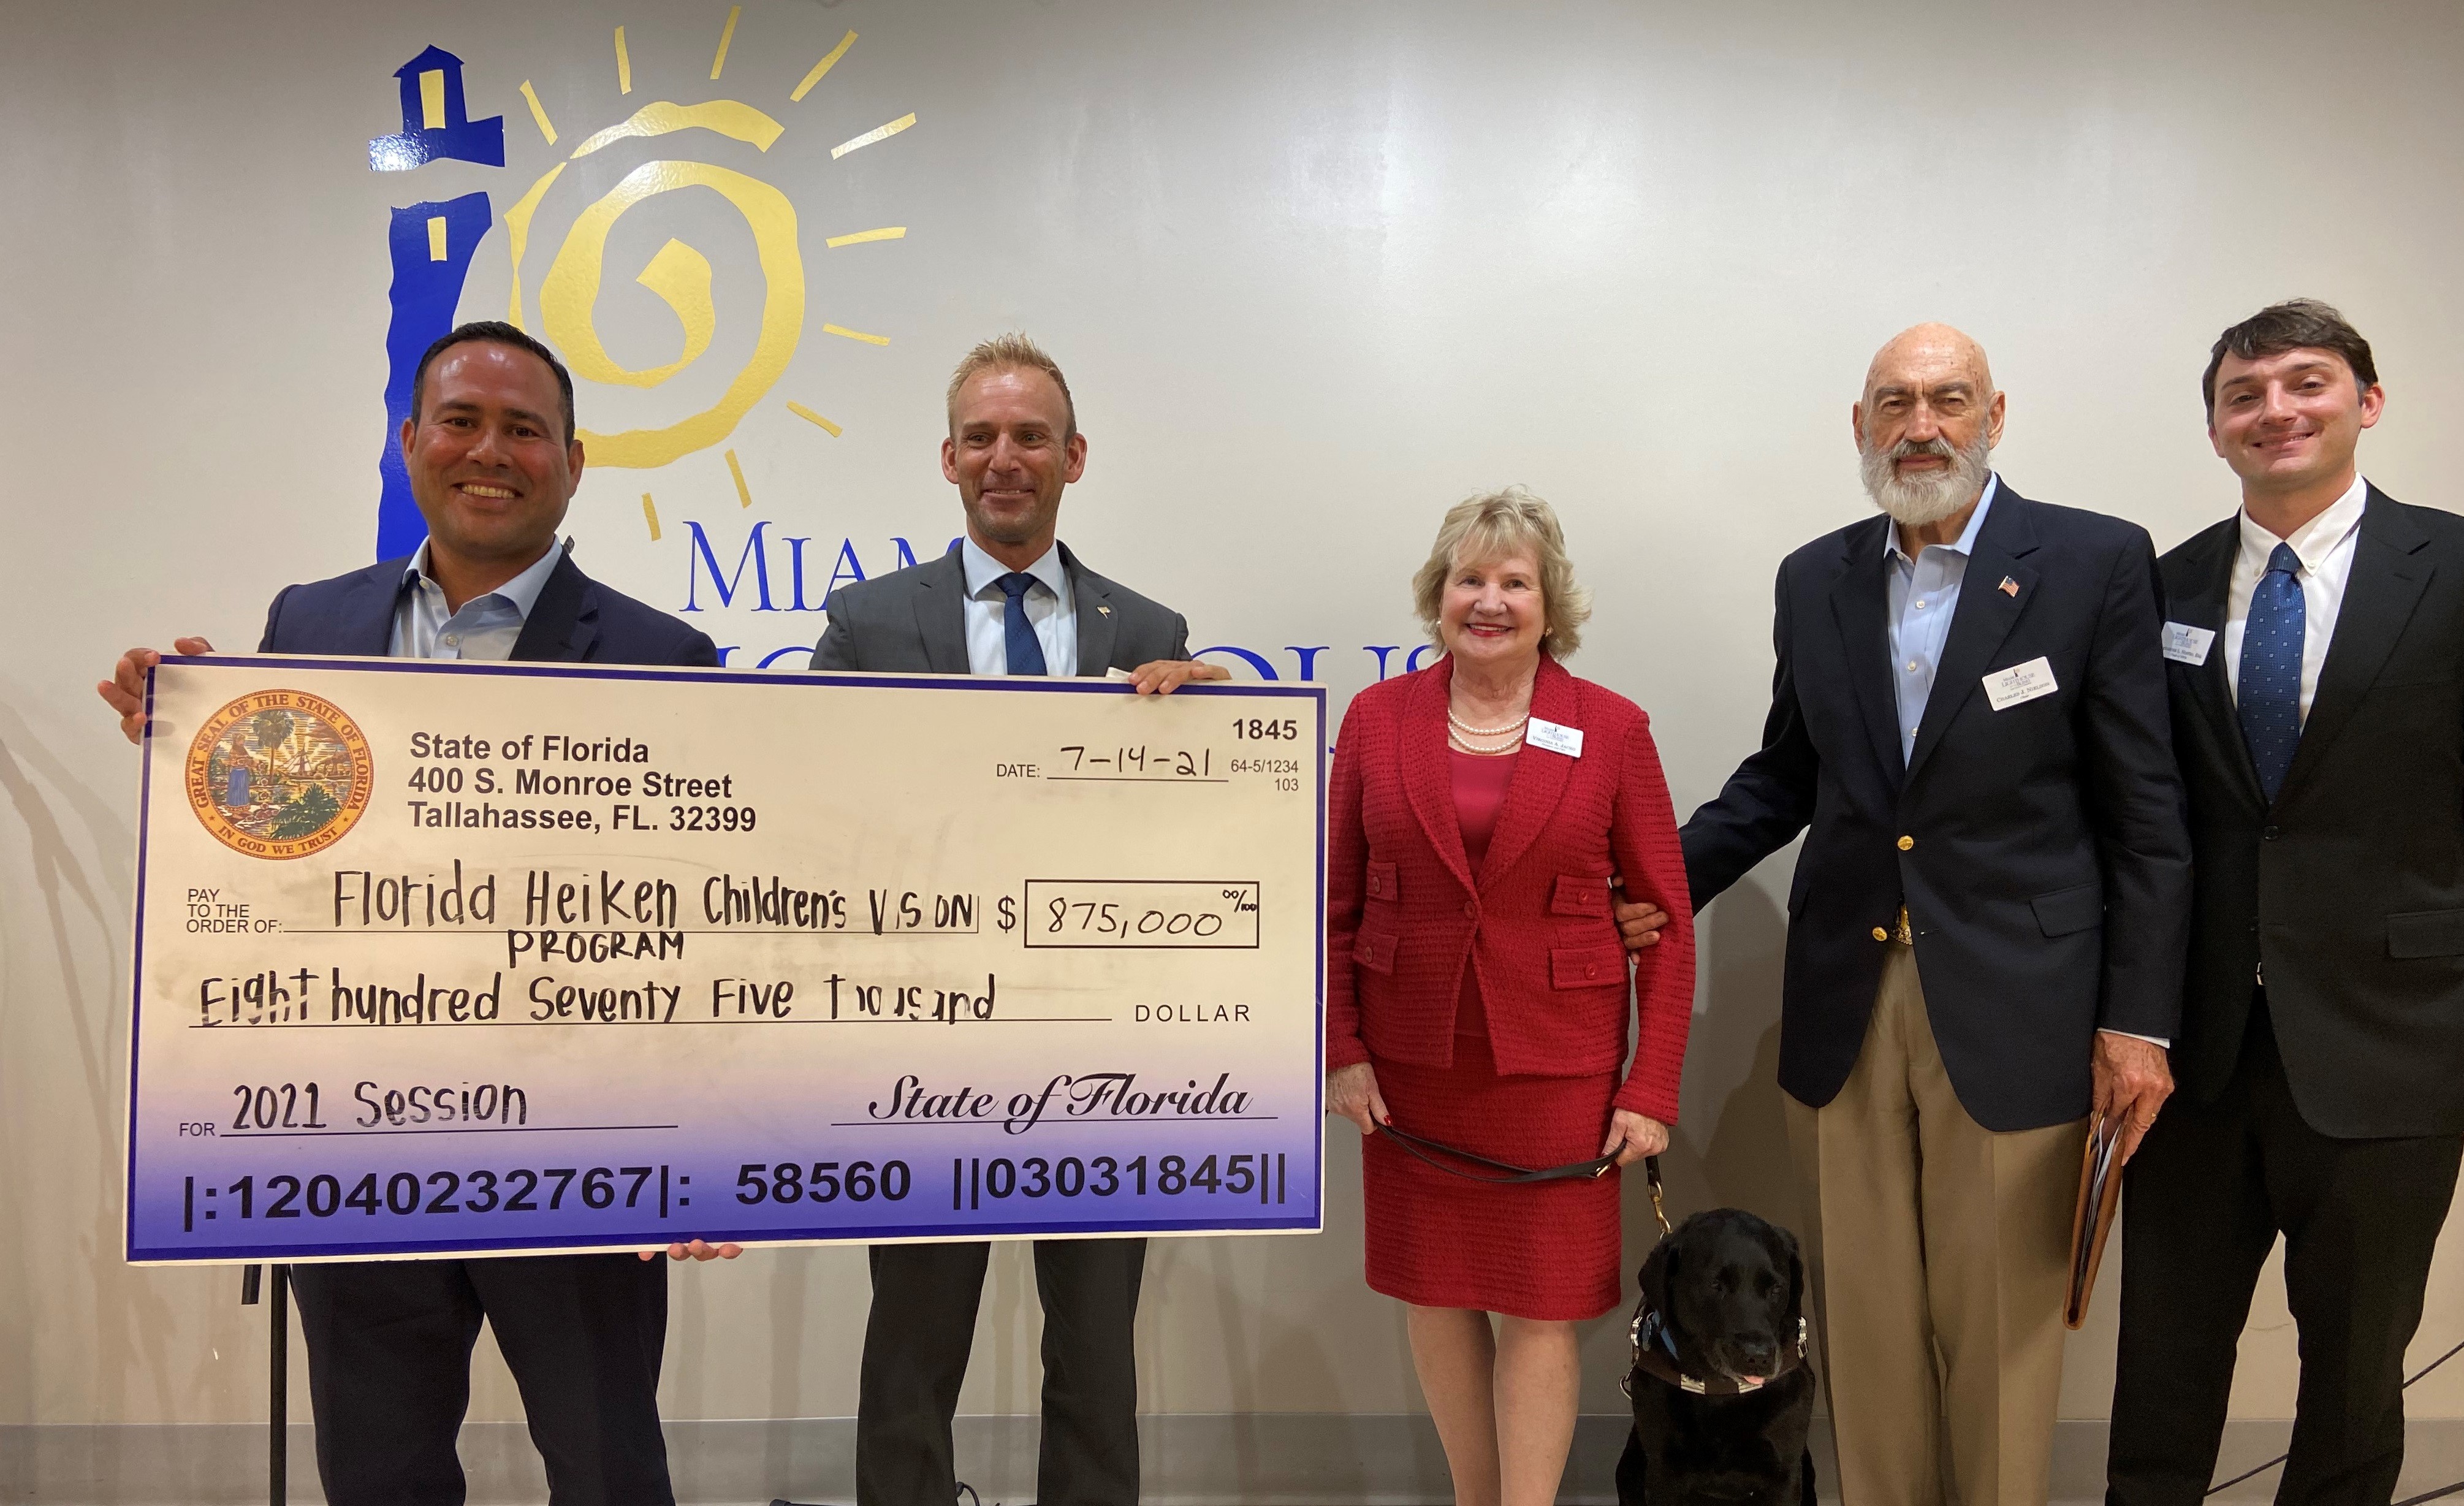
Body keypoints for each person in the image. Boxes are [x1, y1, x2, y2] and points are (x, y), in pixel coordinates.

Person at [97, 321, 739, 1506]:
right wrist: (190, 729)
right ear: (410, 442)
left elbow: (695, 923)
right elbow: (275, 857)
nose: (489, 449)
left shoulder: (666, 654)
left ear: (573, 460)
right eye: (461, 420)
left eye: (524, 428)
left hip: (579, 1155)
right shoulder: (307, 624)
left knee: (608, 1469)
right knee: (378, 1471)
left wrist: (695, 1144)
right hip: (352, 1146)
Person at [1617, 324, 2189, 1505]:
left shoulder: (2093, 560)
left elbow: (2145, 810)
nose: (1921, 423)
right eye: (1895, 400)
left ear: (1994, 415)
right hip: (1846, 999)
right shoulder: (1813, 575)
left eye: (1949, 398)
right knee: (1863, 1331)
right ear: (1862, 424)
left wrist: (2140, 1021)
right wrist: (1655, 884)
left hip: (2022, 1004)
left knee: (1999, 1339)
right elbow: (1786, 774)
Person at [809, 333, 1226, 1506]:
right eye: (982, 437)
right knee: (913, 1350)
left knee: (1095, 1355)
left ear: (1074, 457)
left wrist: (1226, 739)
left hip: (1102, 1052)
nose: (1006, 458)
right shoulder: (869, 623)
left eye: (1030, 436)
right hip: (923, 1047)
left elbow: (1188, 843)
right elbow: (812, 816)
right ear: (947, 458)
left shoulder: (1150, 626)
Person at [2105, 301, 2464, 1505]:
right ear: (2216, 430)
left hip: (2394, 1042)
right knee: (2161, 1364)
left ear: (2366, 402)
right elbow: (2134, 812)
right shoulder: (2160, 587)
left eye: (2306, 383)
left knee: (2355, 1374)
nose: (2276, 411)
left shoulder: (2455, 571)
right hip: (2194, 1047)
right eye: (2244, 395)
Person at [1323, 487, 1695, 1506]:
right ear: (1438, 594)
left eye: (1514, 581)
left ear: (1549, 601)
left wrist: (1650, 1082)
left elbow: (1666, 922)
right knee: (1437, 1294)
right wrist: (1340, 1047)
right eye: (1469, 578)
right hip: (1411, 1067)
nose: (1489, 600)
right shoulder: (1374, 719)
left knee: (1540, 1310)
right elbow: (1338, 903)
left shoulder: (1613, 729)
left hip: (1560, 1071)